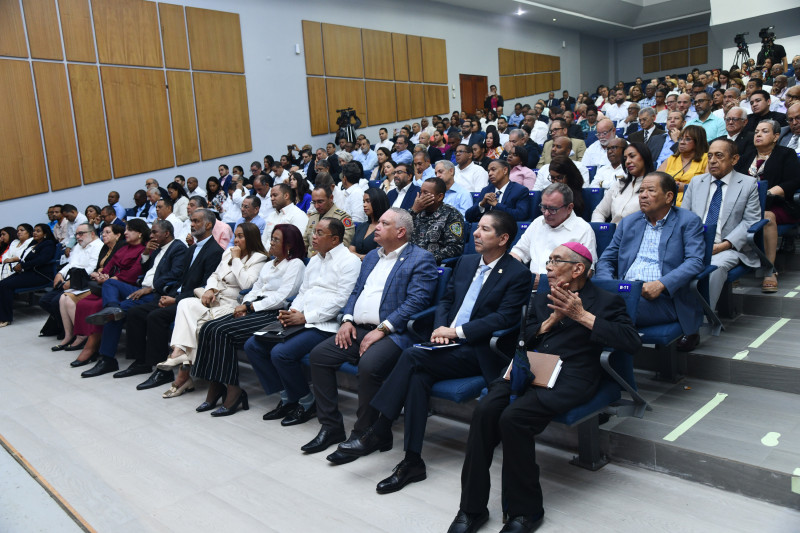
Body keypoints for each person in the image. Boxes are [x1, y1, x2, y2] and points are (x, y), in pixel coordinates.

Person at [446, 242, 641, 533]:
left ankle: (526, 512)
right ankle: (471, 508)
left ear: (578, 268)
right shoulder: (541, 298)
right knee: (485, 410)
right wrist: (549, 323)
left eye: (555, 260)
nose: (547, 266)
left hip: (572, 376)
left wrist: (582, 316)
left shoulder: (606, 300)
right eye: (547, 260)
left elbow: (631, 342)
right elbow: (522, 340)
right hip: (531, 368)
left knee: (514, 419)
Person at [334, 211, 531, 485]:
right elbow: (446, 302)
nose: (475, 232)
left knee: (412, 354)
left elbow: (503, 318)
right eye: (478, 228)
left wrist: (457, 331)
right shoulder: (466, 262)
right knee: (417, 377)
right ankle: (412, 462)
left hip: (480, 350)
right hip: (446, 345)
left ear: (503, 238)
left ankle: (379, 429)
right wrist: (441, 330)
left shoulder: (517, 274)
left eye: (485, 229)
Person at [303, 210, 437, 457]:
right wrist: (346, 320)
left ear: (400, 232)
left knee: (369, 365)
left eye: (384, 223)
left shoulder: (421, 259)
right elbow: (355, 292)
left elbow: (417, 302)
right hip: (359, 328)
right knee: (319, 355)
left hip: (395, 334)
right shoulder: (373, 257)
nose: (376, 227)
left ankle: (364, 433)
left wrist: (383, 329)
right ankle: (331, 426)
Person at [241, 218, 361, 426]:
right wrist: (293, 311)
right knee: (253, 345)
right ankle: (287, 397)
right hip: (301, 318)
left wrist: (306, 317)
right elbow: (304, 291)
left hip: (325, 324)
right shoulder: (314, 260)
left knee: (281, 353)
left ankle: (307, 402)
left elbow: (342, 300)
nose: (313, 237)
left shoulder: (350, 262)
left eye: (319, 233)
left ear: (334, 239)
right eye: (314, 232)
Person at [183, 225, 305, 405]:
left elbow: (282, 297)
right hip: (253, 308)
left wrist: (252, 307)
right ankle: (216, 385)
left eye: (276, 240)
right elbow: (254, 289)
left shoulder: (296, 264)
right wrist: (245, 305)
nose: (271, 242)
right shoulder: (270, 264)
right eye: (271, 238)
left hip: (272, 313)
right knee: (209, 327)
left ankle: (233, 389)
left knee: (222, 331)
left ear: (288, 245)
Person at [154, 224, 268, 408]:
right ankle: (179, 351)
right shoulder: (228, 253)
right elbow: (215, 275)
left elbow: (247, 283)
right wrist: (210, 289)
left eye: (241, 237)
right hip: (213, 297)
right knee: (185, 304)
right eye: (235, 236)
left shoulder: (259, 258)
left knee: (199, 327)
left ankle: (186, 373)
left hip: (232, 303)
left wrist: (237, 260)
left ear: (252, 238)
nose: (236, 240)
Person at [596, 172, 705, 349]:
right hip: (625, 290)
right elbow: (607, 259)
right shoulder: (629, 222)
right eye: (641, 191)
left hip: (664, 298)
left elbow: (694, 261)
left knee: (606, 310)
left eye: (650, 190)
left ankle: (608, 364)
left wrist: (661, 284)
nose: (643, 195)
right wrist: (610, 285)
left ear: (669, 196)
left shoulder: (688, 221)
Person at [120, 210, 224, 388]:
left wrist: (175, 300)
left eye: (196, 221)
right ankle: (141, 362)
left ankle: (163, 372)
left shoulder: (215, 251)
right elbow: (182, 280)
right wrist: (170, 294)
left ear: (208, 225)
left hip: (193, 302)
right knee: (136, 312)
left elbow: (205, 287)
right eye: (191, 220)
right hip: (178, 294)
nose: (191, 224)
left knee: (156, 317)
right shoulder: (192, 248)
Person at [81, 219, 189, 368]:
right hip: (141, 287)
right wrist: (145, 253)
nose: (150, 235)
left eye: (154, 232)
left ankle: (107, 359)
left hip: (155, 292)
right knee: (110, 286)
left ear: (167, 233)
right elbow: (145, 271)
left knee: (118, 312)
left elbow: (175, 274)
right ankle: (112, 307)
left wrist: (151, 288)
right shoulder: (157, 248)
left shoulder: (178, 248)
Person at [682, 139, 761, 313]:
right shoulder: (696, 182)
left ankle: (700, 317)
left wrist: (722, 245)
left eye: (719, 156)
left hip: (727, 247)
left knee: (714, 269)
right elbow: (683, 217)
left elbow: (751, 221)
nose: (712, 161)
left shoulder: (747, 184)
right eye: (709, 156)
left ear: (734, 159)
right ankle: (672, 315)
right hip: (693, 245)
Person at [72, 219, 149, 375]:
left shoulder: (145, 250)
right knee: (113, 314)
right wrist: (101, 275)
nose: (125, 233)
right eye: (125, 229)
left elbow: (134, 274)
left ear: (140, 233)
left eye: (129, 230)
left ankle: (110, 309)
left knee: (110, 293)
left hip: (131, 287)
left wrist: (113, 279)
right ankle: (107, 359)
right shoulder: (122, 249)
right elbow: (107, 268)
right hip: (114, 287)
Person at [735, 118, 800, 292]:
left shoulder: (786, 154)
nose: (758, 134)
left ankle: (769, 269)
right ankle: (733, 267)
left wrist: (767, 193)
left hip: (777, 204)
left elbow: (793, 181)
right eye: (756, 131)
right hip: (747, 204)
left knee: (767, 217)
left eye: (764, 131)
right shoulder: (747, 156)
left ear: (776, 136)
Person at [511, 183, 596, 286]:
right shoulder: (538, 222)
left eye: (552, 209)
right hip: (528, 286)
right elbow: (518, 252)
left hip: (561, 291)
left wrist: (544, 282)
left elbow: (586, 272)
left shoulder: (583, 229)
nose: (546, 213)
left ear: (569, 208)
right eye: (543, 207)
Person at [56, 225, 125, 352]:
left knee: (69, 300)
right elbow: (97, 267)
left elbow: (113, 269)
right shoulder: (105, 247)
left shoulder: (118, 248)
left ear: (118, 235)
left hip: (103, 283)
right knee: (62, 298)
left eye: (108, 232)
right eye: (103, 232)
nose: (103, 235)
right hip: (95, 281)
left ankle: (81, 335)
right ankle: (68, 335)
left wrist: (98, 273)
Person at [39, 222, 103, 341]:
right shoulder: (79, 245)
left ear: (92, 233)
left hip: (83, 282)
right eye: (76, 234)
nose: (77, 237)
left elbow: (91, 269)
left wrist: (73, 281)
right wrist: (60, 273)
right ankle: (65, 328)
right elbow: (71, 264)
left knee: (55, 302)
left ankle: (73, 332)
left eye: (81, 234)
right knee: (44, 300)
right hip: (70, 280)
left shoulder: (98, 246)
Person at [0, 224, 57, 327]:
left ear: (45, 234)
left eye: (38, 231)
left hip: (39, 274)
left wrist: (22, 265)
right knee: (2, 283)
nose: (35, 233)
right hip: (27, 271)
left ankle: (6, 318)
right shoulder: (33, 243)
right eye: (34, 231)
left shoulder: (48, 244)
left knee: (5, 285)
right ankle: (3, 315)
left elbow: (41, 260)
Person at [592, 142, 655, 223]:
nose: (627, 162)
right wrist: (602, 230)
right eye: (625, 159)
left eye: (632, 156)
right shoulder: (619, 184)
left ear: (644, 157)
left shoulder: (655, 185)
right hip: (613, 234)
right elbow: (599, 211)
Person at [408, 177, 466, 263]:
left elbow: (455, 248)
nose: (421, 197)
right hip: (408, 261)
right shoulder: (416, 211)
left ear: (439, 197)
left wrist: (425, 258)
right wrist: (413, 211)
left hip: (429, 264)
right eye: (421, 192)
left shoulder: (452, 214)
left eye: (426, 193)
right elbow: (398, 231)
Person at [657, 125, 709, 206]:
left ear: (698, 141)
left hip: (693, 204)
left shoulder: (706, 159)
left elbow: (707, 186)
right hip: (666, 204)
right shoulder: (672, 159)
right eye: (680, 138)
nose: (681, 142)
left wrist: (685, 187)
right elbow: (656, 180)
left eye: (687, 139)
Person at [466, 160, 531, 223]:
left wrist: (496, 205)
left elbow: (521, 215)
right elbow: (468, 217)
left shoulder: (520, 190)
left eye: (493, 170)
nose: (490, 173)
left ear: (505, 170)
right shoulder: (486, 190)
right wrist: (482, 204)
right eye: (488, 171)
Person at [303, 186, 355, 254]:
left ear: (331, 198)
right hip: (311, 261)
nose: (316, 206)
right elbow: (305, 242)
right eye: (314, 202)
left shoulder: (342, 218)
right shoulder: (313, 216)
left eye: (320, 202)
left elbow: (343, 246)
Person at [350, 188, 390, 260]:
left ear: (378, 202)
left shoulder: (386, 227)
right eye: (363, 201)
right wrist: (362, 257)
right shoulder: (361, 226)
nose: (364, 205)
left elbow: (377, 255)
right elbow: (350, 251)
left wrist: (358, 256)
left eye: (368, 201)